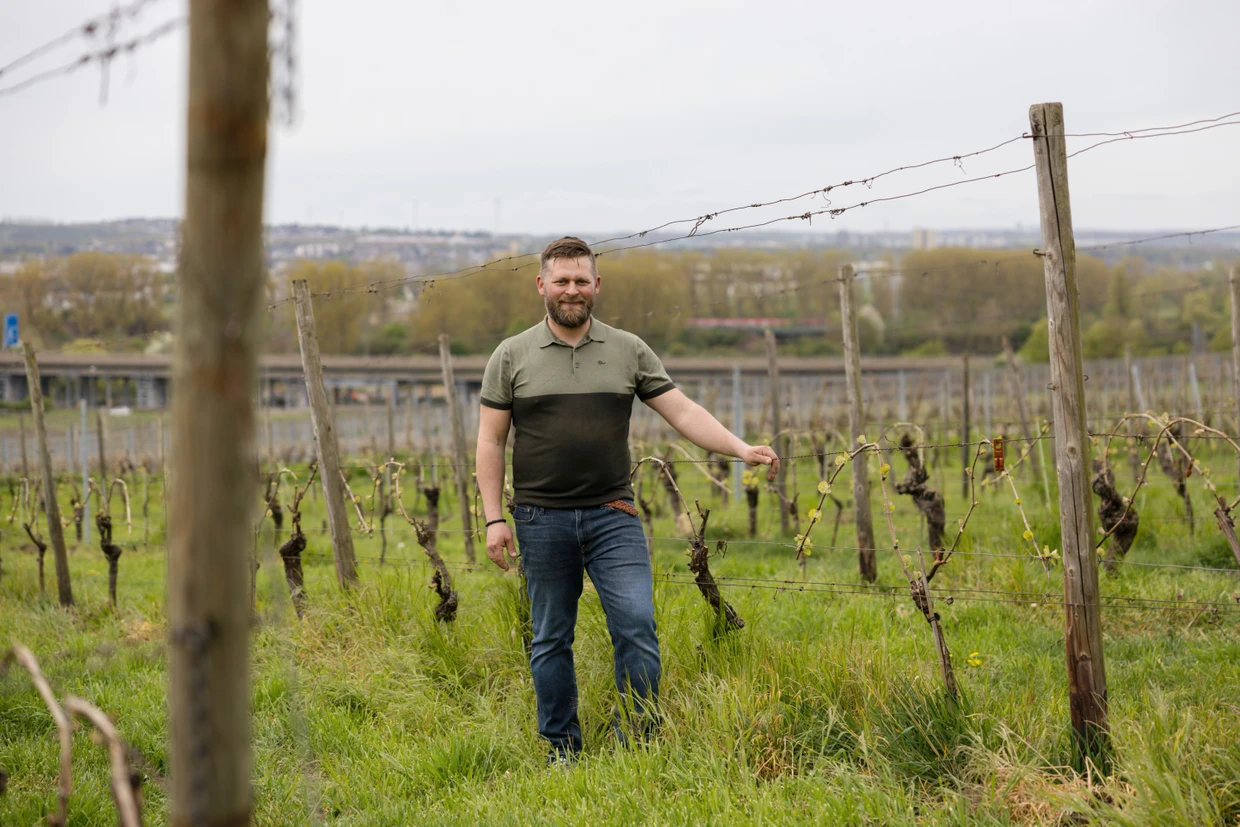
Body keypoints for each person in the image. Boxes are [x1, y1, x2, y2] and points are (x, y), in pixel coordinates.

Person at [475, 236, 779, 763]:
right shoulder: (511, 356)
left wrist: (739, 448)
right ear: (541, 285)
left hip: (612, 514)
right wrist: (493, 518)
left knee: (636, 625)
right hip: (539, 518)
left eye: (582, 280)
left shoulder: (628, 350)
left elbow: (682, 411)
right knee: (550, 637)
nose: (572, 290)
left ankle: (636, 742)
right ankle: (561, 749)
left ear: (597, 285)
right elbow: (490, 440)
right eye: (562, 280)